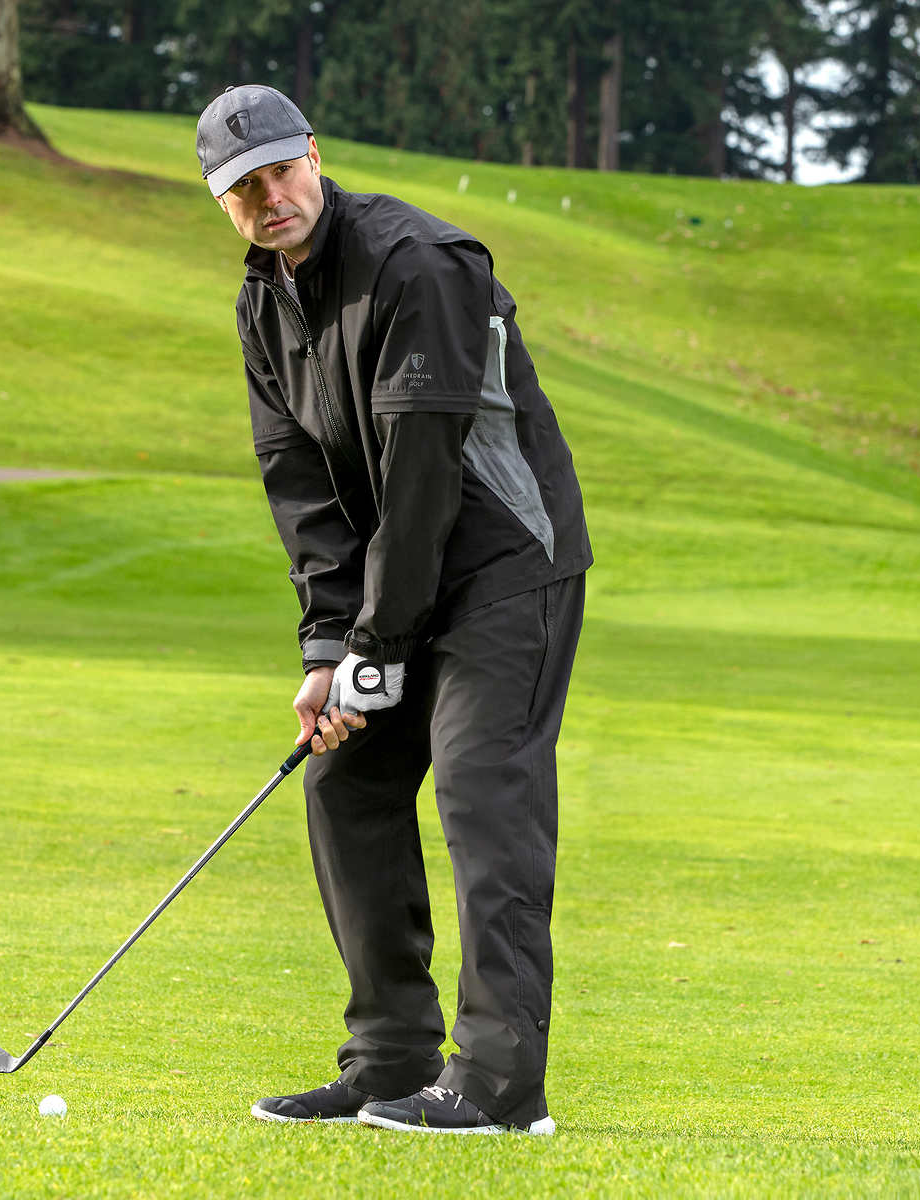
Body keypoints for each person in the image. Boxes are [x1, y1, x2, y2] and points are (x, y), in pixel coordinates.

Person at [196, 84, 592, 1135]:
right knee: (347, 783)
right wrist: (330, 650)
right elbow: (304, 491)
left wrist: (376, 644)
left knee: (480, 793)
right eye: (242, 188)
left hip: (506, 567)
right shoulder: (263, 305)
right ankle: (390, 1059)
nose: (268, 198)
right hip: (397, 586)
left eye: (280, 171)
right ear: (220, 201)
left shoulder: (420, 263)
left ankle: (500, 1084)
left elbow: (423, 473)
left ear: (314, 156)